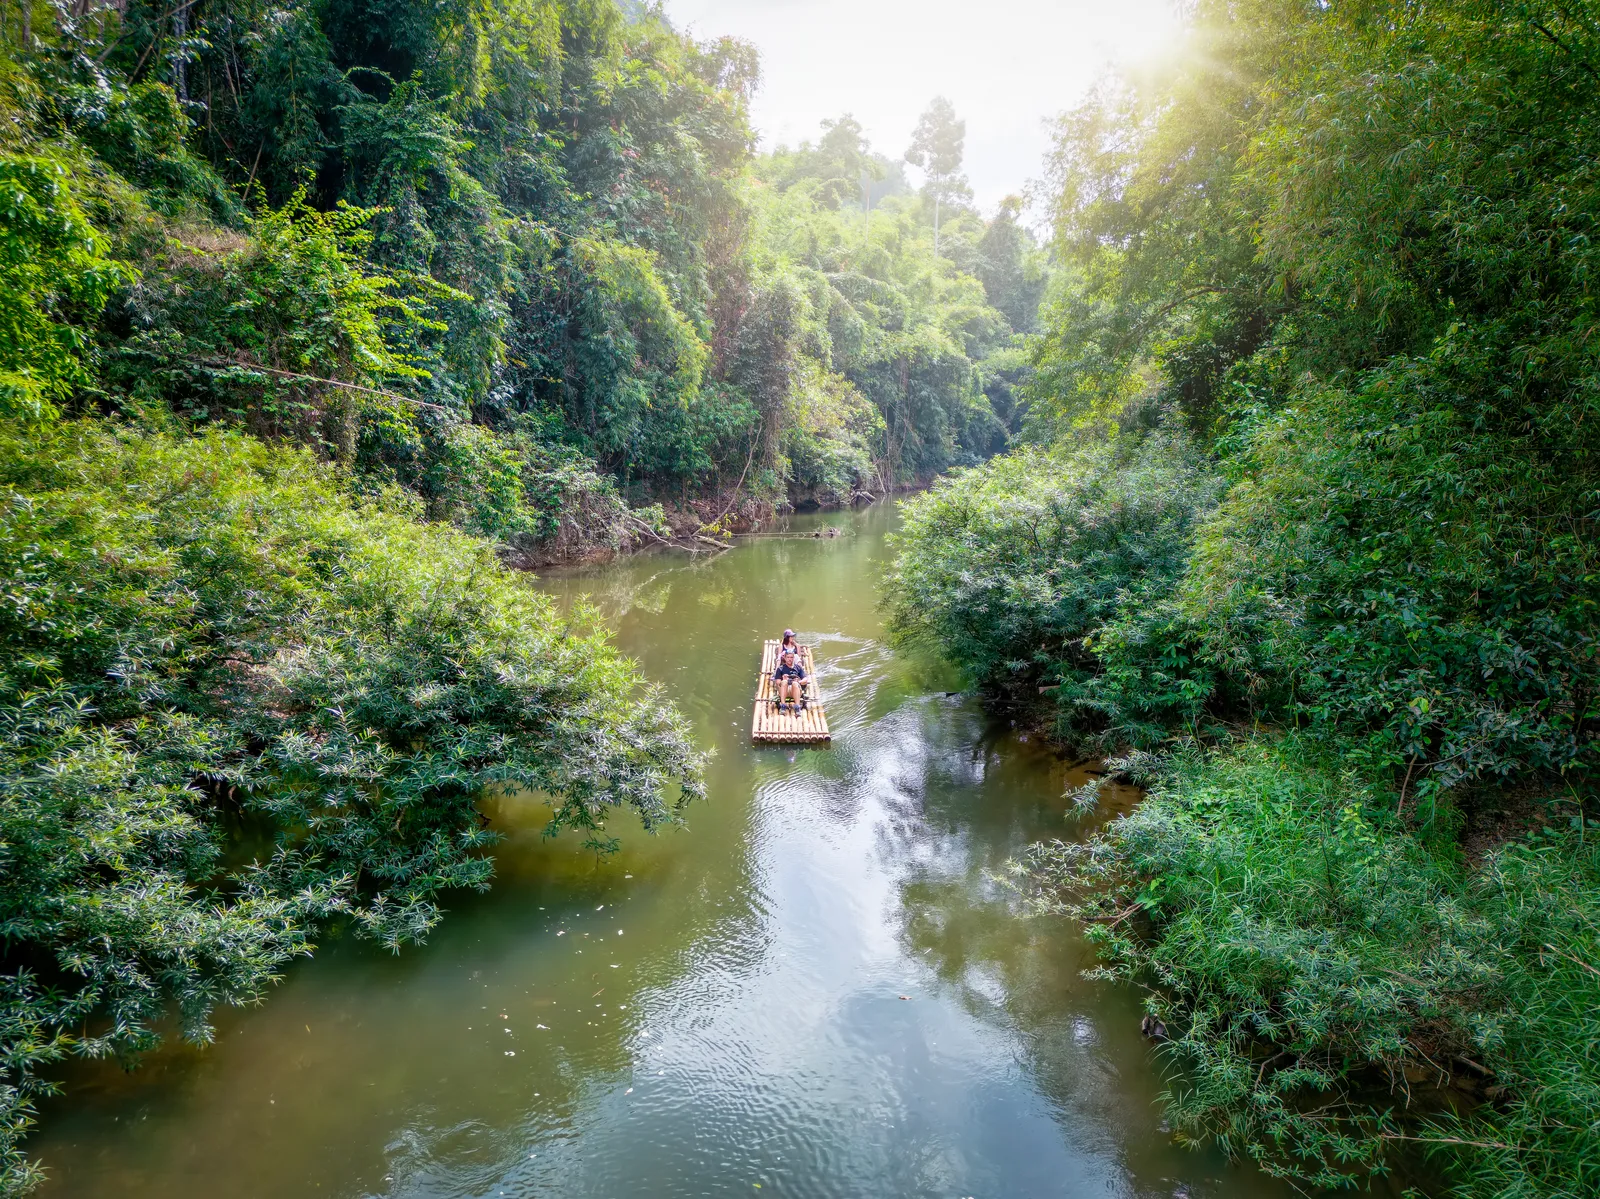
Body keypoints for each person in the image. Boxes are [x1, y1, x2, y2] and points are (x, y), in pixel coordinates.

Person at [772, 647, 808, 713]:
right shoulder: (780, 669)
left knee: (794, 683)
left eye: (791, 657)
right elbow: (777, 682)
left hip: (795, 690)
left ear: (793, 658)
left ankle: (797, 707)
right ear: (785, 658)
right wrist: (783, 680)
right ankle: (783, 705)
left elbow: (805, 679)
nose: (789, 659)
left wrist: (799, 681)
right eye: (788, 657)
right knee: (784, 682)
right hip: (784, 690)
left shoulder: (798, 668)